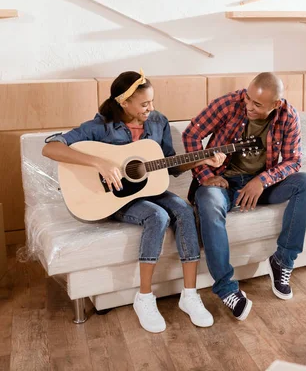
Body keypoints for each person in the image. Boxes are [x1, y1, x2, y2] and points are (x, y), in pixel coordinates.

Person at [42, 70, 226, 333]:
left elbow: (170, 166)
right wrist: (100, 163)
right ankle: (144, 298)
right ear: (123, 103)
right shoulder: (98, 127)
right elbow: (51, 148)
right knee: (157, 216)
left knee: (185, 211)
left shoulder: (158, 122)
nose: (150, 108)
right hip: (117, 198)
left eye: (152, 101)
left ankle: (189, 295)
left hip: (152, 189)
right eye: (144, 104)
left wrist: (202, 159)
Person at [182, 72, 306, 321]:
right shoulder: (228, 104)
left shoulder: (288, 116)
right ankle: (226, 288)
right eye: (248, 99)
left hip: (261, 185)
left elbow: (293, 160)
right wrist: (204, 174)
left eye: (257, 105)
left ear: (276, 104)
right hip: (223, 182)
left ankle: (282, 260)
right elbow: (191, 134)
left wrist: (261, 181)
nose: (249, 107)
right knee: (208, 202)